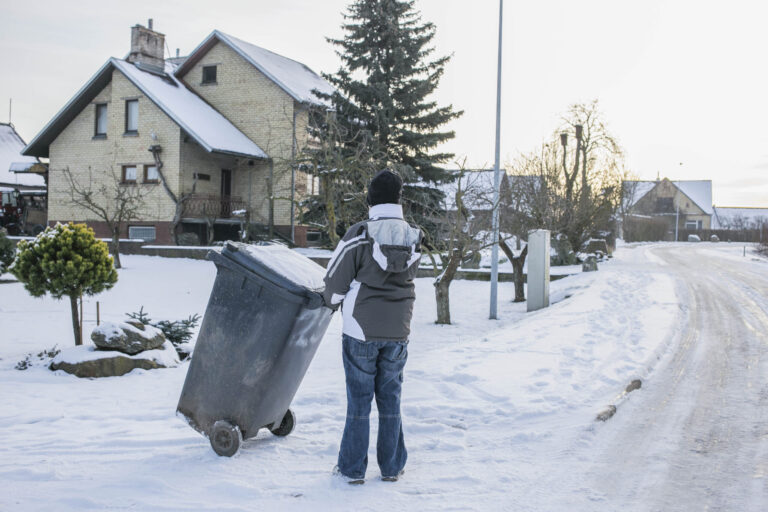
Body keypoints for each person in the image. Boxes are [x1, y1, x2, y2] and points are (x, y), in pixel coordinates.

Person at [323, 169, 422, 485]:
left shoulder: (360, 234)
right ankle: (392, 466)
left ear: (370, 198)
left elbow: (334, 284)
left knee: (359, 399)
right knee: (391, 397)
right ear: (399, 199)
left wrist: (329, 302)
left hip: (360, 329)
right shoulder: (413, 237)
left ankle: (352, 469)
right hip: (399, 331)